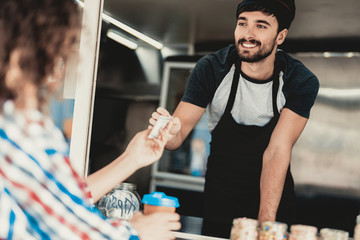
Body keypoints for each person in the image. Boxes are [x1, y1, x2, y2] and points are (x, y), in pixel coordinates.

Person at [0, 0, 180, 239]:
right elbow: (71, 231)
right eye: (61, 51)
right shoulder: (18, 128)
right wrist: (135, 231)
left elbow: (59, 201)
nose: (59, 71)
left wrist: (131, 158)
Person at [150, 0, 319, 238]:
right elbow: (176, 137)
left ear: (280, 36)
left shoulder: (298, 80)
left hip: (272, 201)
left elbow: (277, 151)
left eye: (261, 26)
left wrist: (265, 226)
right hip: (220, 199)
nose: (247, 34)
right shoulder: (212, 68)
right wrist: (166, 131)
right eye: (242, 23)